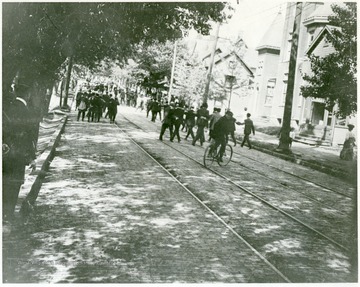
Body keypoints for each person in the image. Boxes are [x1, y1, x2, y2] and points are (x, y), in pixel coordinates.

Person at [3, 84, 37, 222]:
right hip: (19, 156)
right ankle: (8, 214)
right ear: (28, 94)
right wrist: (32, 158)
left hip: (5, 152)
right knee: (15, 183)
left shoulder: (6, 109)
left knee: (3, 181)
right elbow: (30, 138)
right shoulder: (28, 112)